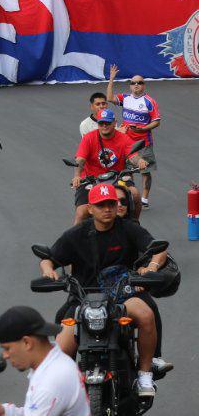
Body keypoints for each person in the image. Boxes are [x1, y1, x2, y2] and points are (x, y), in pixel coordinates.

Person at [40, 184, 168, 397]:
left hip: (123, 295)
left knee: (146, 314)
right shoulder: (76, 234)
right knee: (61, 345)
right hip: (84, 299)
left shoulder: (128, 228)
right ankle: (62, 390)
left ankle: (145, 375)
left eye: (111, 204)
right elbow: (49, 258)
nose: (107, 209)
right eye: (101, 205)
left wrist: (151, 267)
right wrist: (47, 270)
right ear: (90, 208)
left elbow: (159, 249)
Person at [0, 306, 89, 416]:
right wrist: (6, 411)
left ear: (27, 343)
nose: (5, 355)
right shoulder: (53, 364)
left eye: (7, 348)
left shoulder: (50, 382)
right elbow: (34, 410)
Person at [71, 108, 146, 224]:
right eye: (101, 123)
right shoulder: (89, 138)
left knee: (135, 194)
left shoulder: (124, 138)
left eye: (108, 123)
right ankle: (74, 241)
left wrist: (140, 161)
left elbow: (133, 156)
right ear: (98, 124)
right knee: (81, 213)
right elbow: (80, 159)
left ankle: (135, 224)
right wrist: (77, 176)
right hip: (91, 180)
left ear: (115, 123)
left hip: (117, 178)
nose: (104, 126)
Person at [105, 64, 160, 208]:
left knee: (145, 172)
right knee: (128, 171)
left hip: (144, 143)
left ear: (144, 85)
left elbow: (156, 121)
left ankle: (144, 199)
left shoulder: (149, 102)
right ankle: (130, 196)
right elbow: (109, 98)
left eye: (139, 83)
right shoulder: (125, 98)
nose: (136, 85)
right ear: (130, 86)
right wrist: (111, 79)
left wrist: (143, 129)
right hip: (127, 143)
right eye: (133, 83)